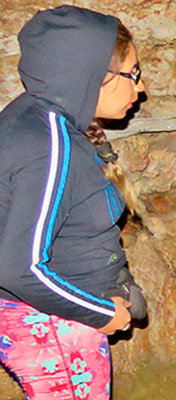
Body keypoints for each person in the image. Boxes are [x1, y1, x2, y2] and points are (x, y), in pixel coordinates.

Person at [0, 5, 147, 399]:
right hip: (51, 325)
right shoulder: (49, 143)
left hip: (52, 318)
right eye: (133, 75)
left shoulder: (35, 122)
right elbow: (18, 267)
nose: (141, 88)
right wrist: (101, 313)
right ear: (94, 75)